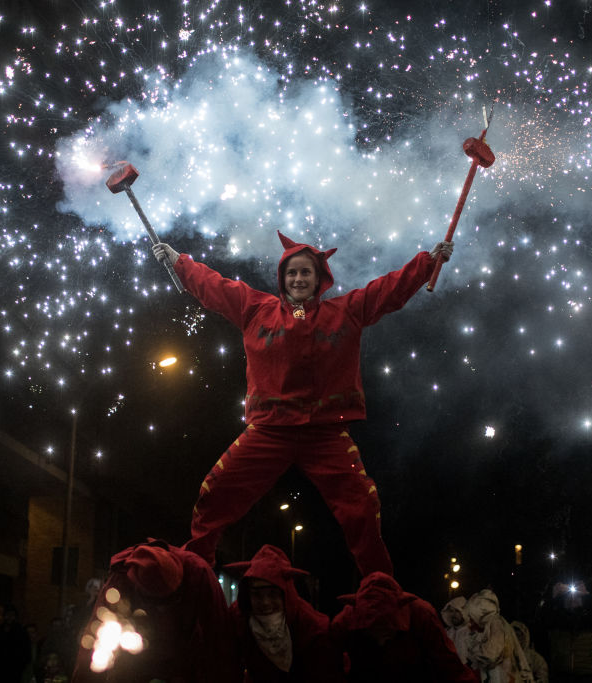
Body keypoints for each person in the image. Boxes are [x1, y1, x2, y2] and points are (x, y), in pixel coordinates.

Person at [154, 232, 454, 576]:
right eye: (292, 273)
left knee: (362, 507)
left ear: (319, 279)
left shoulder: (346, 311)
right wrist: (179, 262)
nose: (298, 279)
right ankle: (195, 574)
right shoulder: (255, 308)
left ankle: (381, 591)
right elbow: (215, 286)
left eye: (305, 273)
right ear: (282, 279)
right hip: (270, 430)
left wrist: (428, 262)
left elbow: (388, 290)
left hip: (324, 434)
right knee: (215, 493)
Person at [72, 538, 239, 683]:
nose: (162, 608)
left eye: (168, 600)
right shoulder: (121, 581)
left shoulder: (198, 573)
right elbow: (95, 643)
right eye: (155, 602)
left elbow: (219, 641)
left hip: (186, 660)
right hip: (136, 661)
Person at [224, 544, 344, 682]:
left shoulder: (312, 627)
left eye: (273, 594)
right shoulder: (238, 617)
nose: (265, 602)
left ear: (286, 594)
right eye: (257, 594)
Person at [330, 571, 477, 683]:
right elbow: (328, 670)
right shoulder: (344, 622)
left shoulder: (422, 615)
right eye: (373, 633)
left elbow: (450, 666)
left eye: (387, 633)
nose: (381, 642)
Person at [461, 589, 533, 683]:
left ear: (479, 612)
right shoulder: (492, 624)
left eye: (471, 616)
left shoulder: (496, 623)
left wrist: (473, 646)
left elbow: (490, 655)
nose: (470, 621)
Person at [440, 595, 470, 665]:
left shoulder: (471, 632)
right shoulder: (446, 632)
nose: (453, 614)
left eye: (457, 611)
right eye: (451, 611)